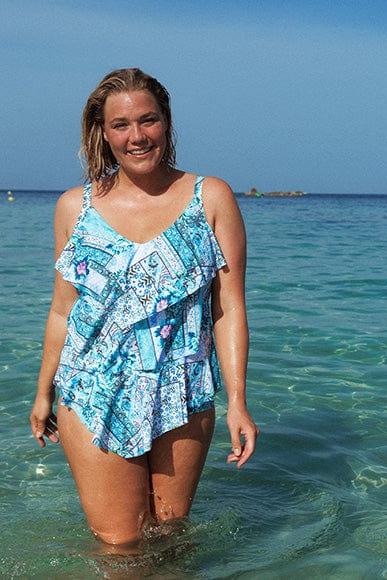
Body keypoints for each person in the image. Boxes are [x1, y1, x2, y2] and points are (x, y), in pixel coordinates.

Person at [29, 68, 258, 546]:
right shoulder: (76, 208)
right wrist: (43, 391)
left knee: (170, 541)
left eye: (148, 120)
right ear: (102, 132)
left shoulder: (210, 197)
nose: (137, 136)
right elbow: (61, 310)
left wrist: (237, 400)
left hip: (185, 391)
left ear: (166, 123)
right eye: (121, 125)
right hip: (94, 390)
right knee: (121, 547)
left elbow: (228, 309)